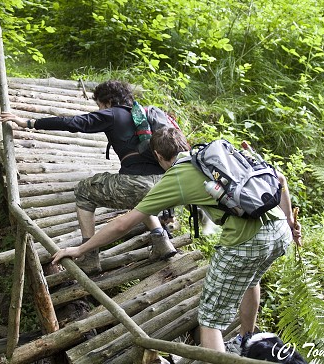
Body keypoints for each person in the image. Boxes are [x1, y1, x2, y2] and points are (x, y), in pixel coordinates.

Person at [52, 126, 302, 354]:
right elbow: (279, 180)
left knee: (210, 321)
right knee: (251, 280)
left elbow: (124, 222)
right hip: (278, 230)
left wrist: (81, 248)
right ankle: (246, 338)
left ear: (159, 157)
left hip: (246, 241)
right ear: (186, 144)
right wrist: (290, 222)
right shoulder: (217, 156)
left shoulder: (178, 175)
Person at [0, 80, 177, 275]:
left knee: (84, 190)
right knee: (142, 197)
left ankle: (90, 256)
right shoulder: (143, 116)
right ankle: (162, 242)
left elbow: (74, 123)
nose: (99, 109)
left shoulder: (113, 113)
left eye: (99, 105)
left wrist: (29, 123)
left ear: (108, 101)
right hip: (165, 185)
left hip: (137, 184)